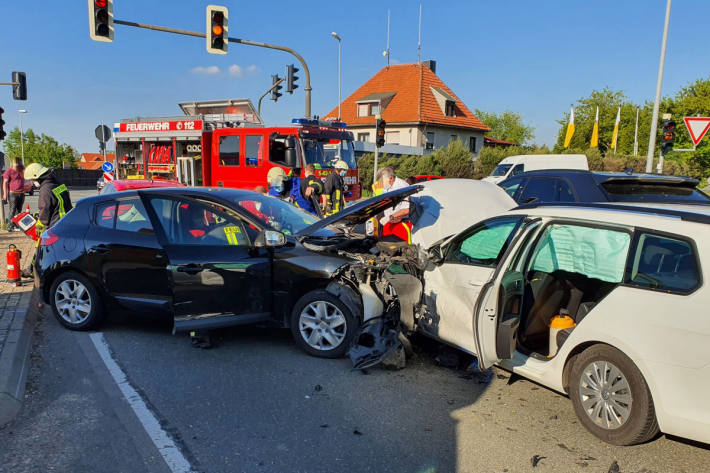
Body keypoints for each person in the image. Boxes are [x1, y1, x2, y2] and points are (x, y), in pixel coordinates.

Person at [22, 163, 73, 277]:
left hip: (55, 224)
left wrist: (41, 223)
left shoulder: (46, 188)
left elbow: (45, 207)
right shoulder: (58, 183)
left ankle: (33, 271)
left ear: (37, 176)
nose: (32, 182)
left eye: (32, 179)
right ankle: (32, 270)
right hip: (66, 221)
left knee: (41, 247)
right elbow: (57, 203)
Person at [378, 167, 413, 243]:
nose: (381, 184)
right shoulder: (387, 186)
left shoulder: (402, 187)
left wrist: (390, 217)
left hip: (400, 225)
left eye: (382, 181)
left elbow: (407, 210)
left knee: (400, 250)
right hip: (389, 223)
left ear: (391, 178)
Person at [3, 158, 26, 231]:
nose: (18, 165)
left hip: (21, 193)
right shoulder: (9, 171)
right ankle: (9, 225)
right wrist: (5, 194)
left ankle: (16, 225)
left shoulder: (22, 170)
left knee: (19, 211)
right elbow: (5, 183)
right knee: (12, 210)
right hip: (13, 193)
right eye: (17, 164)